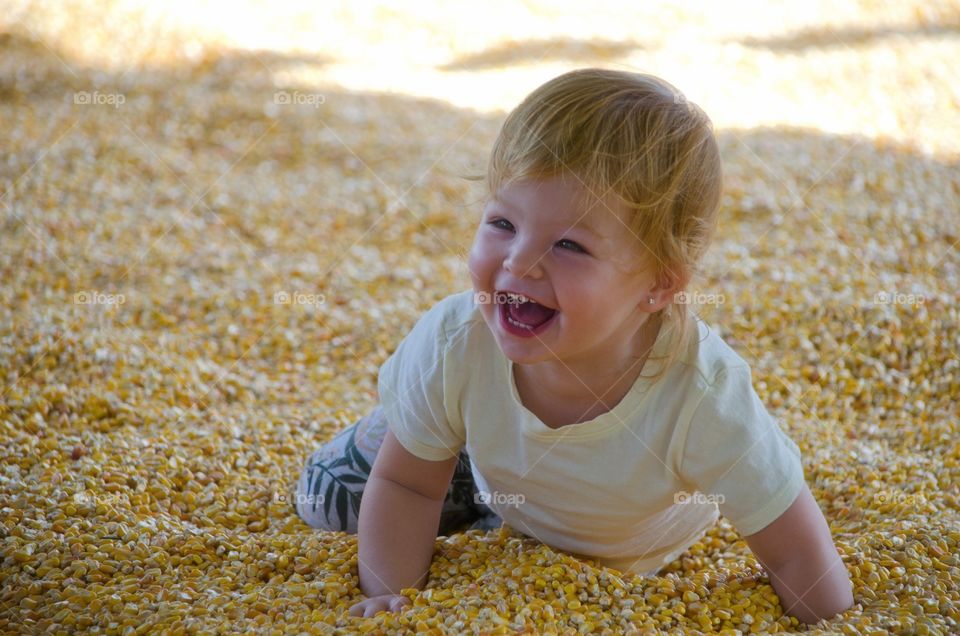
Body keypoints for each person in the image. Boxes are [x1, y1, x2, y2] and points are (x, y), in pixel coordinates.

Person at [294, 68, 854, 623]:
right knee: (325, 496)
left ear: (659, 284)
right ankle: (429, 428)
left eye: (568, 244)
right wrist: (394, 598)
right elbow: (405, 486)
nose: (519, 262)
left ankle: (464, 463)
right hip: (494, 473)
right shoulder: (456, 339)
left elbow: (796, 550)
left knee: (491, 507)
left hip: (607, 541)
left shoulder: (703, 398)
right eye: (503, 223)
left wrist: (837, 620)